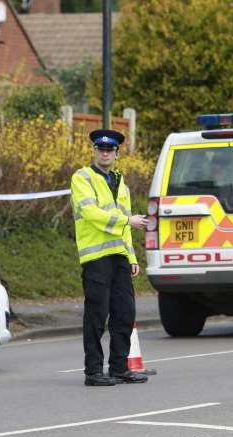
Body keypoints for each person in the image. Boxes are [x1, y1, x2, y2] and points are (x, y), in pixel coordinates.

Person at [70, 129, 149, 387]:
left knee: (125, 313)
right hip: (96, 257)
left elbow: (125, 226)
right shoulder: (82, 177)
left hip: (119, 256)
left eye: (110, 150)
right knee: (96, 315)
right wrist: (128, 220)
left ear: (116, 154)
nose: (105, 153)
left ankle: (119, 367)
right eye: (100, 149)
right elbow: (91, 213)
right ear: (94, 151)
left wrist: (132, 256)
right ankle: (93, 371)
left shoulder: (119, 180)